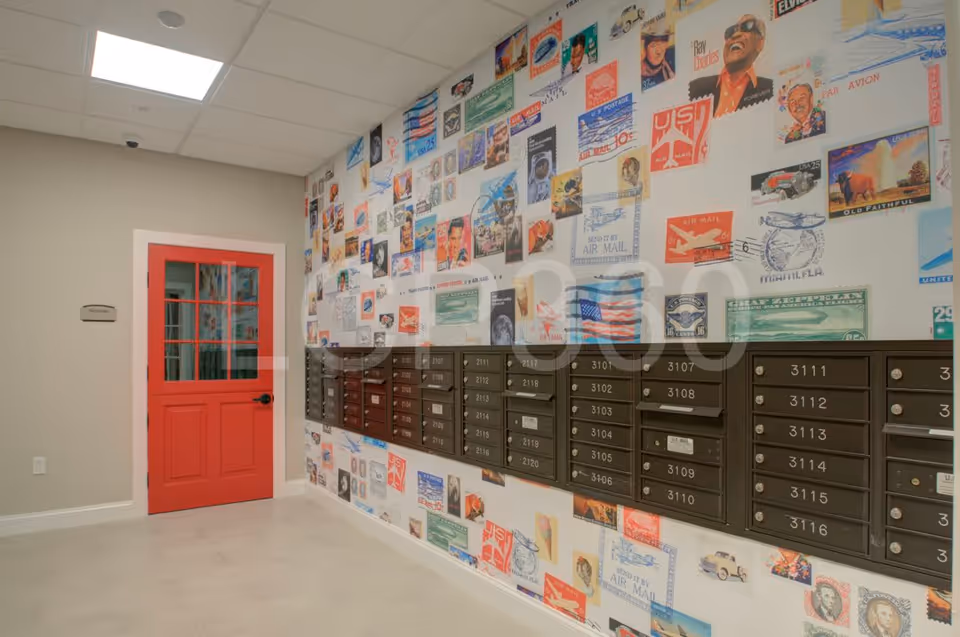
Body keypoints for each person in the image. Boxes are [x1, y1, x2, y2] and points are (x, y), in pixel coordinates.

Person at [689, 14, 773, 116]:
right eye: (730, 32)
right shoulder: (696, 87)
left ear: (760, 43)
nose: (735, 35)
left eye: (747, 26)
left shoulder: (770, 89)